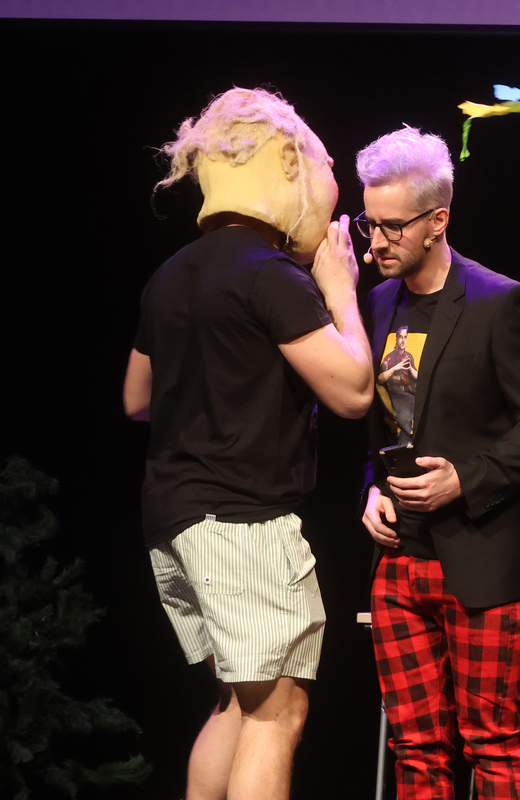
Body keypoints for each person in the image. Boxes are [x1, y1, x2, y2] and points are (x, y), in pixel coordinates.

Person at [122, 87, 374, 800]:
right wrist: (339, 290)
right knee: (276, 710)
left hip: (172, 516)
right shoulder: (270, 275)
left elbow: (136, 399)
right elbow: (353, 391)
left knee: (237, 701)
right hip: (239, 522)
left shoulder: (172, 274)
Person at [356, 125, 520, 799]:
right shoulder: (379, 301)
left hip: (484, 553)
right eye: (369, 223)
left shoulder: (500, 302)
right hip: (401, 557)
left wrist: (465, 479)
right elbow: (386, 419)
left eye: (393, 226)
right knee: (414, 745)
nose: (377, 241)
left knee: (491, 739)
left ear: (437, 221)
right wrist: (372, 489)